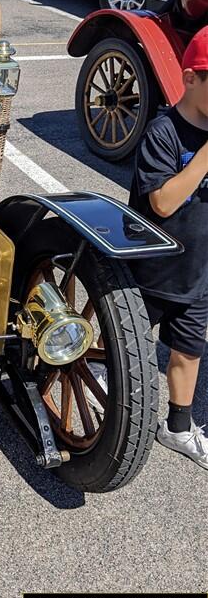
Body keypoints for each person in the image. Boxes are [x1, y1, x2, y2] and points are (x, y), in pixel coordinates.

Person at [129, 25, 208, 469]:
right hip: (151, 270)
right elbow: (161, 202)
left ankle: (178, 426)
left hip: (198, 272)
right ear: (191, 78)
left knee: (189, 350)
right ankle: (106, 372)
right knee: (127, 340)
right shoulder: (164, 132)